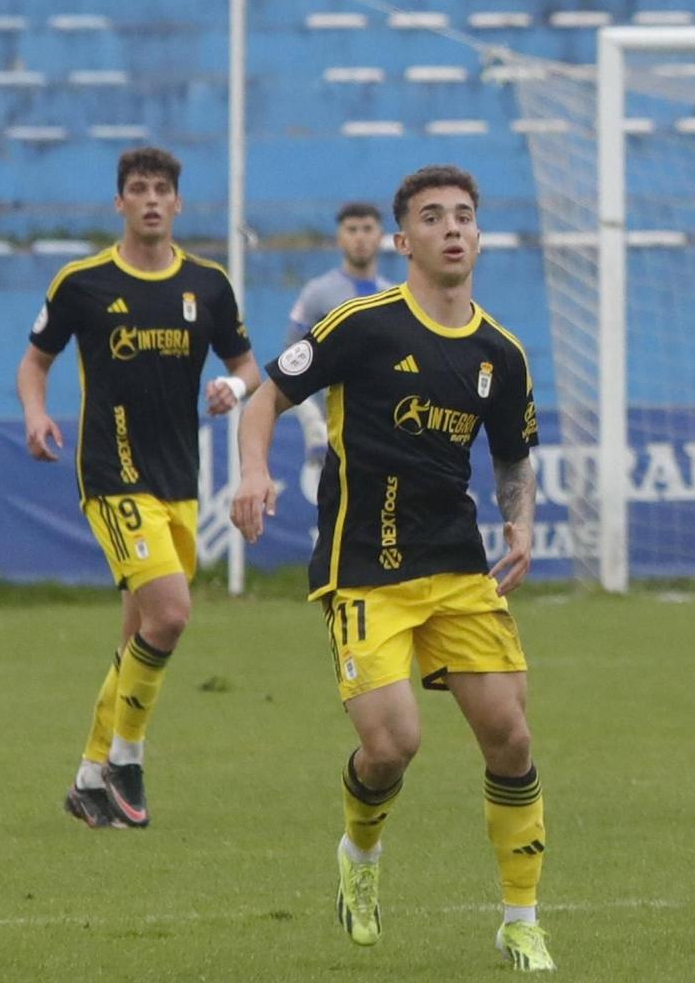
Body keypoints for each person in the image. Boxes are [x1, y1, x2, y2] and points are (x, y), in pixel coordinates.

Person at [230, 165, 554, 972]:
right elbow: (266, 396)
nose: (453, 228)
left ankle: (521, 920)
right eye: (434, 217)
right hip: (364, 567)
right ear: (402, 240)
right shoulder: (361, 325)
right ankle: (361, 857)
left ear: (479, 235)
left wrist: (521, 522)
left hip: (458, 567)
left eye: (465, 216)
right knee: (392, 745)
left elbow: (514, 457)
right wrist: (253, 472)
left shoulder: (500, 353)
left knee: (510, 737)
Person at [16, 145, 258, 831]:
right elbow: (35, 363)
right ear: (119, 203)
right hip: (110, 473)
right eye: (138, 189)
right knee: (173, 615)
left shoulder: (208, 286)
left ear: (178, 204)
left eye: (162, 190)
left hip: (179, 479)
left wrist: (231, 387)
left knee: (141, 634)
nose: (151, 199)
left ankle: (90, 779)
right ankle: (126, 757)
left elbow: (249, 366)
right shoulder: (83, 283)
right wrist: (36, 414)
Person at [286, 203, 391, 504]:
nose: (360, 237)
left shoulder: (394, 295)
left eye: (367, 229)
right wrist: (312, 424)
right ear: (339, 237)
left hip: (385, 434)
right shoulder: (317, 294)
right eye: (352, 229)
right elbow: (292, 364)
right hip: (335, 432)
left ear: (381, 235)